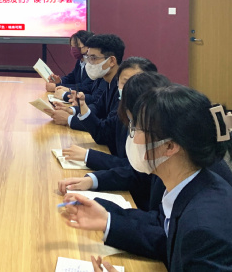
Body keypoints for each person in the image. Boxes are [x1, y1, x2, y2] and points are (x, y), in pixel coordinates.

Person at [59, 85, 232, 271]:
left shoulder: (204, 228)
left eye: (138, 128)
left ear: (170, 146)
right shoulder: (191, 184)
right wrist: (107, 220)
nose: (132, 137)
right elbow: (165, 236)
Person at [61, 57, 157, 171]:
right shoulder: (123, 107)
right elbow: (103, 133)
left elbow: (136, 170)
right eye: (125, 82)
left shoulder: (154, 120)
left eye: (136, 83)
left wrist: (89, 156)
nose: (130, 88)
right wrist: (82, 108)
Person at [47, 34, 125, 129]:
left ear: (112, 61)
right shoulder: (108, 80)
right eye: (88, 58)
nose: (89, 63)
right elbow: (97, 107)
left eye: (93, 58)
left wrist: (69, 119)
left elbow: (108, 127)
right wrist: (71, 110)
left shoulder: (122, 88)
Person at [47, 30, 94, 99]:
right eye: (72, 46)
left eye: (76, 46)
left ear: (87, 47)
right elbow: (71, 77)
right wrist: (60, 81)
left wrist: (58, 86)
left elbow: (86, 86)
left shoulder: (94, 65)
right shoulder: (80, 61)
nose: (73, 49)